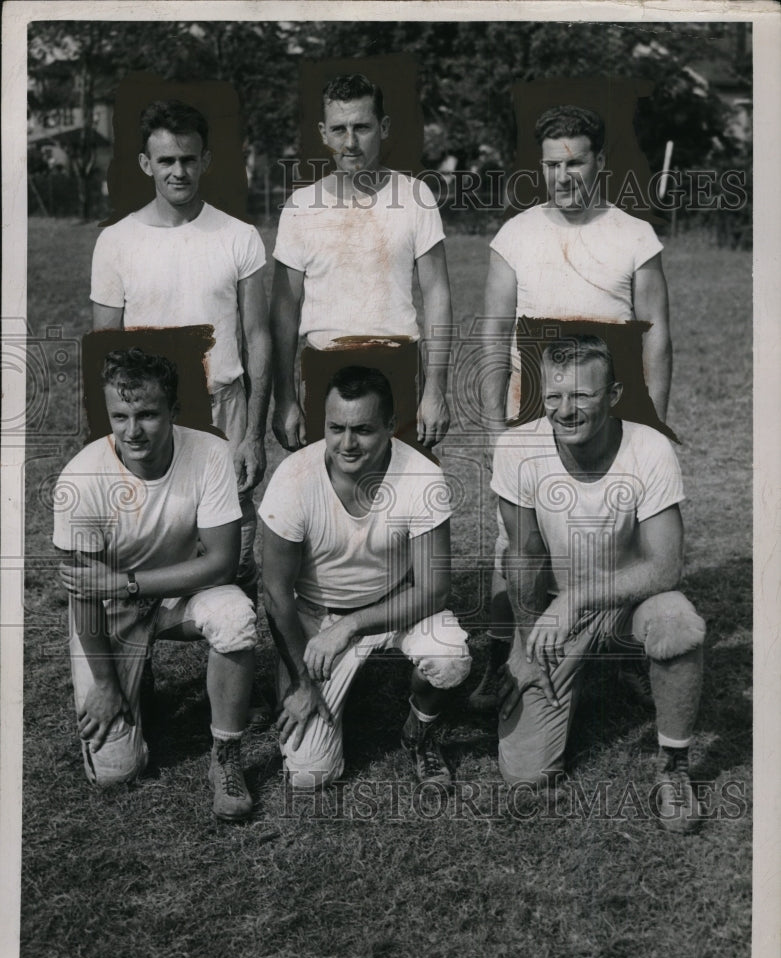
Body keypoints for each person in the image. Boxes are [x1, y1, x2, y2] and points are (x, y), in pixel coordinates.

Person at [474, 104, 673, 708]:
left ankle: (624, 651)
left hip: (609, 403)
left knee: (623, 535)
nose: (564, 176)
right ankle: (501, 655)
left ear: (600, 162)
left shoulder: (634, 235)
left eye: (576, 162)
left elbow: (658, 331)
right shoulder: (515, 234)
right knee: (517, 542)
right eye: (553, 164)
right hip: (535, 406)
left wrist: (652, 423)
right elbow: (492, 331)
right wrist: (492, 425)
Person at [491, 336, 705, 833]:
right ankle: (566, 676)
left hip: (631, 600)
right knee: (526, 777)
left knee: (677, 625)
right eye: (554, 397)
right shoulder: (517, 447)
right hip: (551, 608)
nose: (566, 411)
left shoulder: (648, 446)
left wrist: (577, 601)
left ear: (612, 395)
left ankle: (673, 767)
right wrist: (525, 646)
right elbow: (522, 555)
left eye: (582, 397)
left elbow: (667, 566)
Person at [54, 348, 258, 821]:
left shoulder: (208, 451)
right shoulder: (81, 478)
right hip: (108, 611)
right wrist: (105, 684)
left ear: (174, 411)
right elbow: (83, 593)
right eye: (120, 416)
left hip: (174, 589)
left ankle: (225, 757)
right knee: (116, 773)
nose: (132, 430)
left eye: (147, 414)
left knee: (236, 618)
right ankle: (131, 679)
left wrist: (127, 583)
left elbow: (223, 563)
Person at [90, 99, 272, 601]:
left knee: (233, 555)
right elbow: (104, 353)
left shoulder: (239, 237)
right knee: (138, 540)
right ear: (146, 164)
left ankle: (241, 655)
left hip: (223, 406)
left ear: (206, 160)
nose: (179, 171)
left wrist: (254, 433)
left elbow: (259, 337)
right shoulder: (116, 241)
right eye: (166, 160)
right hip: (146, 415)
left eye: (188, 159)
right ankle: (138, 666)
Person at [260, 366, 471, 790]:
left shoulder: (422, 475)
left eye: (363, 429)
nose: (347, 443)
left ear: (392, 426)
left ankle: (420, 731)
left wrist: (353, 626)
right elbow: (275, 592)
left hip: (391, 603)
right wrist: (303, 680)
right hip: (314, 615)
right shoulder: (294, 476)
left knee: (451, 658)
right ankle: (297, 681)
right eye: (336, 428)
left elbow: (434, 589)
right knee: (309, 775)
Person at [271, 73, 452, 453]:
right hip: (324, 367)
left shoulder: (415, 196)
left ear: (383, 127)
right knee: (330, 500)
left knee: (409, 498)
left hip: (398, 366)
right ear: (323, 132)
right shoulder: (300, 207)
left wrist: (435, 389)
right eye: (339, 129)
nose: (350, 142)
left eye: (362, 127)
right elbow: (285, 310)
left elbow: (437, 294)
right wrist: (285, 398)